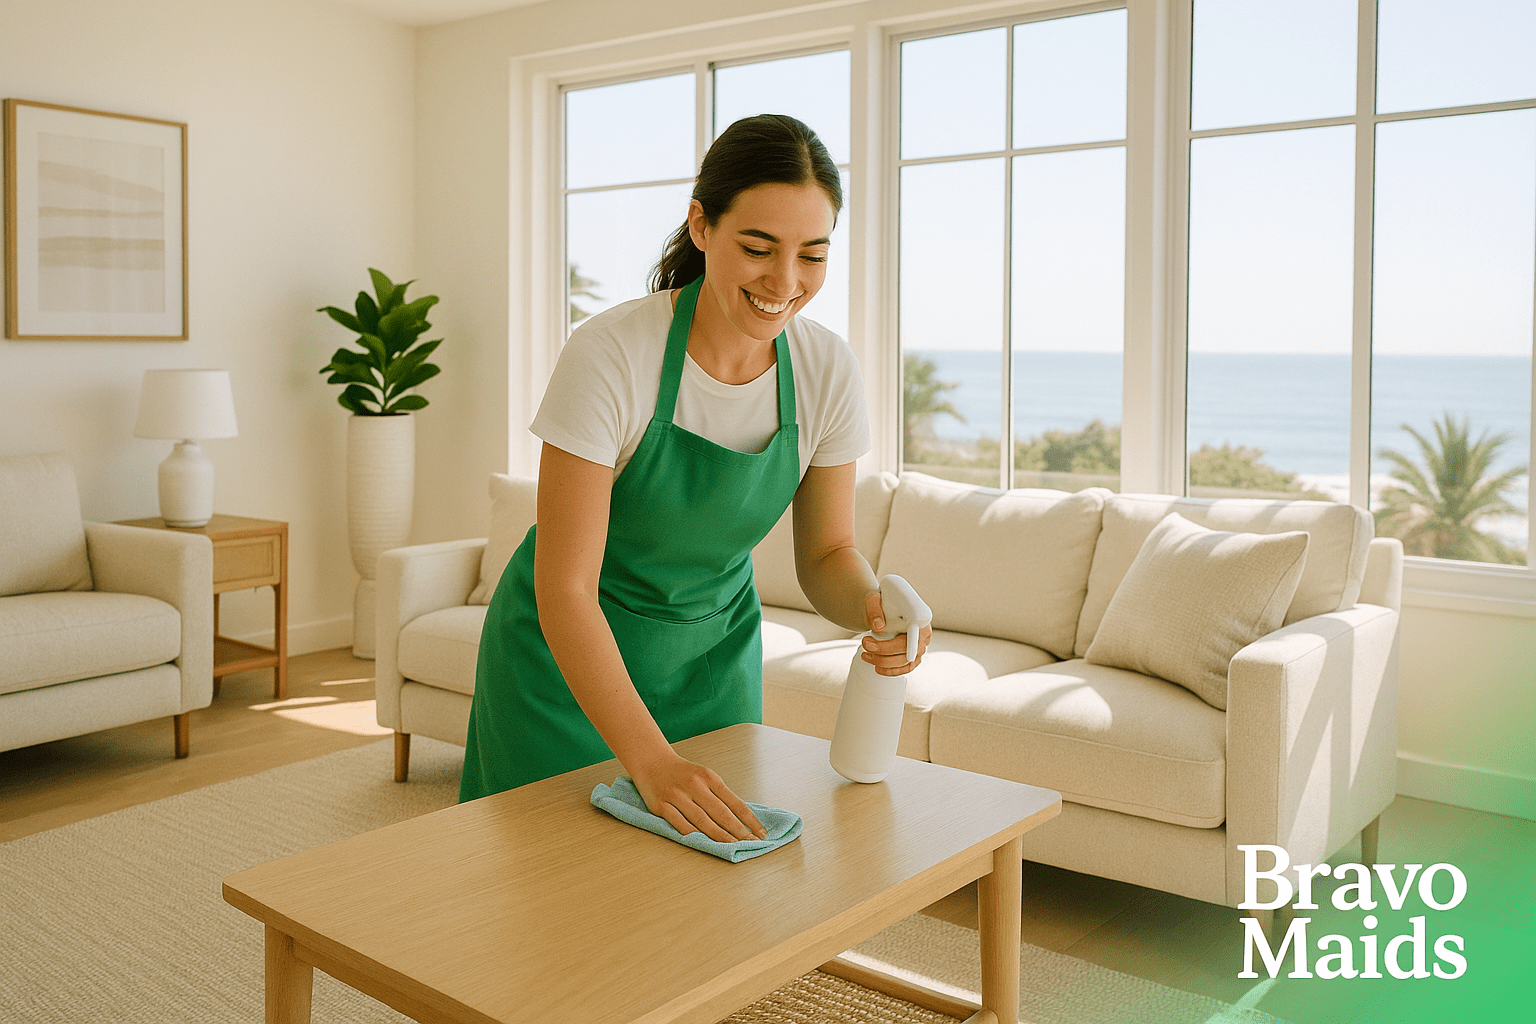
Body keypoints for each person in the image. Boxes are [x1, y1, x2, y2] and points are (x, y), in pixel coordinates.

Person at [459, 113, 931, 842]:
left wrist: (873, 608)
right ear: (702, 225)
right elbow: (566, 589)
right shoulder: (612, 355)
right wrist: (651, 761)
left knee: (708, 895)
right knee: (549, 887)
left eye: (812, 255)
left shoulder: (827, 370)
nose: (785, 281)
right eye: (758, 248)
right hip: (565, 670)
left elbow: (826, 554)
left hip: (711, 668)